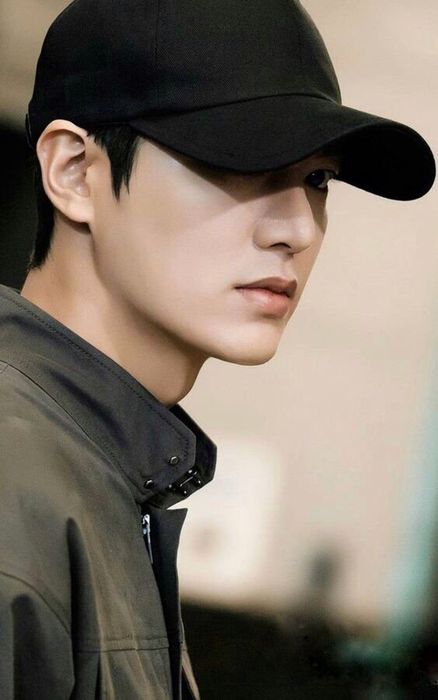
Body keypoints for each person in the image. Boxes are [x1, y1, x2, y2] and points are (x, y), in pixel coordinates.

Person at [0, 0, 435, 698]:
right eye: (240, 159)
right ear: (76, 172)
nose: (298, 228)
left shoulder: (96, 474)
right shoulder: (17, 489)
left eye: (318, 180)